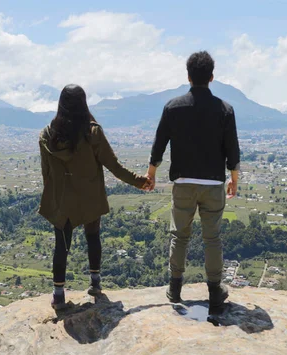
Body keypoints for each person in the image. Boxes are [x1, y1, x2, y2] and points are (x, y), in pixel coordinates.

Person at [145, 51, 241, 316]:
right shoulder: (225, 110)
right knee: (212, 238)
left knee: (180, 235)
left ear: (188, 76)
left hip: (183, 183)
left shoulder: (173, 107)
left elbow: (159, 144)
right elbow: (232, 149)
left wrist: (151, 172)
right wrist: (234, 178)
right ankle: (214, 292)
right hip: (213, 184)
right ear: (211, 77)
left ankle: (175, 289)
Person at [39, 84, 150, 310]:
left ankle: (58, 295)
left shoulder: (46, 135)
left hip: (61, 199)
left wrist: (53, 199)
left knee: (61, 245)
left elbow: (46, 174)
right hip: (89, 195)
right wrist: (140, 181)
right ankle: (95, 285)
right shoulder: (92, 133)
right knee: (93, 237)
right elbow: (114, 166)